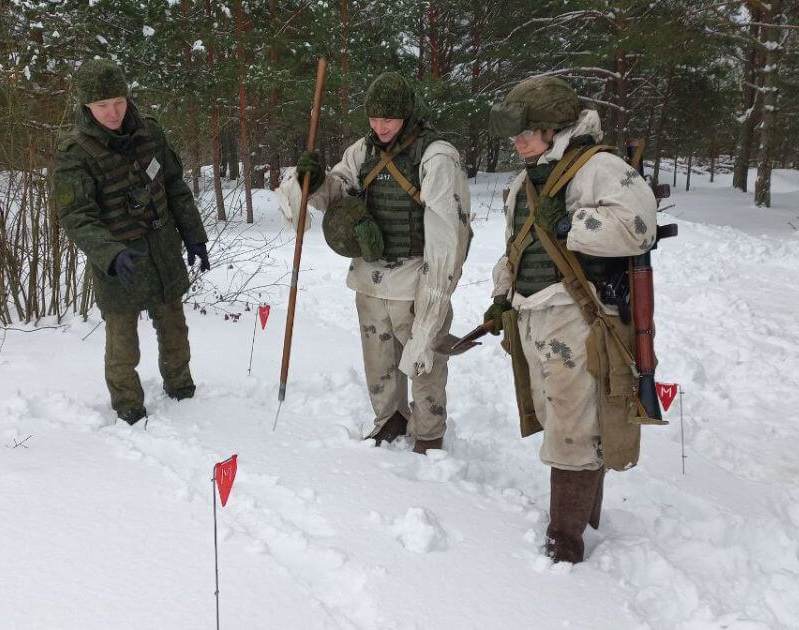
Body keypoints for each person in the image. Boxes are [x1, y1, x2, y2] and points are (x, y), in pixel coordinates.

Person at [485, 75, 658, 563]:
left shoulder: (599, 167)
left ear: (552, 126)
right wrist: (502, 296)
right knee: (558, 415)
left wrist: (571, 224)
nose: (517, 142)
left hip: (579, 313)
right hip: (532, 312)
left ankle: (567, 538)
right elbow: (515, 250)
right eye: (514, 134)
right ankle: (581, 515)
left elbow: (639, 227)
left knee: (572, 426)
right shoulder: (526, 179)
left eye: (526, 132)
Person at [277, 72, 471, 454]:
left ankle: (429, 434)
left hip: (416, 277)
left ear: (408, 115)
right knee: (378, 359)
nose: (380, 126)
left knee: (423, 359)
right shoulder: (362, 152)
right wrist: (314, 181)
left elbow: (449, 236)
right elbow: (338, 193)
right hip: (369, 276)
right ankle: (389, 418)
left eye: (389, 119)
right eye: (374, 118)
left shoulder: (436, 157)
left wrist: (436, 295)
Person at [53, 59, 210, 425]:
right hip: (119, 258)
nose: (113, 112)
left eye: (118, 102)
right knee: (123, 339)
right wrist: (110, 253)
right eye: (102, 105)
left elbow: (175, 188)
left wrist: (194, 237)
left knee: (174, 324)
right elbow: (76, 216)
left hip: (161, 248)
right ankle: (128, 405)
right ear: (87, 106)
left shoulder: (150, 133)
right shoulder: (75, 153)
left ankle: (182, 388)